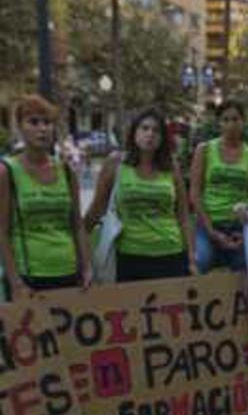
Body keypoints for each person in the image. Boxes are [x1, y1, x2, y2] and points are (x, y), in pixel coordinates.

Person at [85, 108, 197, 282]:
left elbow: (183, 216)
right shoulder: (115, 163)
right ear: (134, 132)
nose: (150, 134)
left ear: (162, 138)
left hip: (171, 253)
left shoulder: (171, 166)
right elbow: (96, 210)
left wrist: (190, 258)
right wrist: (80, 249)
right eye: (144, 128)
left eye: (156, 130)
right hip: (129, 256)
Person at [0, 95, 92, 301]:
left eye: (47, 122)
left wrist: (86, 267)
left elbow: (77, 223)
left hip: (69, 274)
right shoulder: (8, 171)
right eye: (33, 122)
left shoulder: (66, 171)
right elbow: (2, 232)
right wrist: (16, 283)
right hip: (29, 278)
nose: (42, 128)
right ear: (20, 128)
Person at [189, 100, 248, 273]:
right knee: (200, 261)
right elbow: (195, 192)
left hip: (238, 226)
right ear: (219, 123)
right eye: (225, 120)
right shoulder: (204, 150)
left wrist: (245, 231)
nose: (231, 125)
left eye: (235, 119)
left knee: (247, 269)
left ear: (243, 122)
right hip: (208, 224)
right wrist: (211, 230)